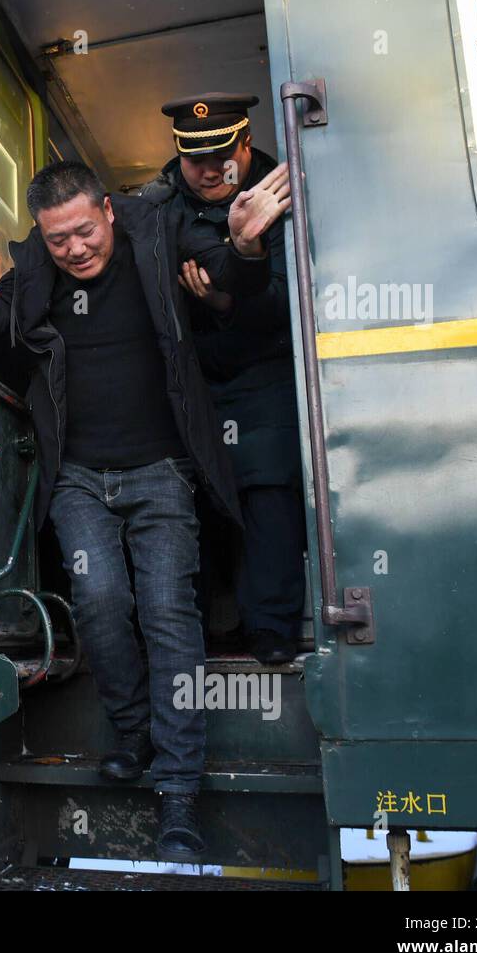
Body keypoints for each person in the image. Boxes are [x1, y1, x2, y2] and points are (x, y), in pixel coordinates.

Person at [0, 159, 290, 861]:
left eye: (84, 232)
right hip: (80, 476)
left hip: (162, 470)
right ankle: (133, 730)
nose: (75, 249)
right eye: (59, 240)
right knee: (98, 598)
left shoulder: (158, 228)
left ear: (109, 213)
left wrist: (243, 245)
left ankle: (177, 792)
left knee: (168, 613)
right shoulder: (38, 271)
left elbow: (236, 287)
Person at [144, 93, 306, 664]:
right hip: (193, 379)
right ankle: (206, 630)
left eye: (221, 155)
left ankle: (272, 629)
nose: (211, 170)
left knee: (267, 491)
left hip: (265, 369)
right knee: (198, 498)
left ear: (244, 142)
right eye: (196, 159)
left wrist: (221, 297)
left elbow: (294, 305)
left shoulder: (284, 192)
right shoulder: (158, 207)